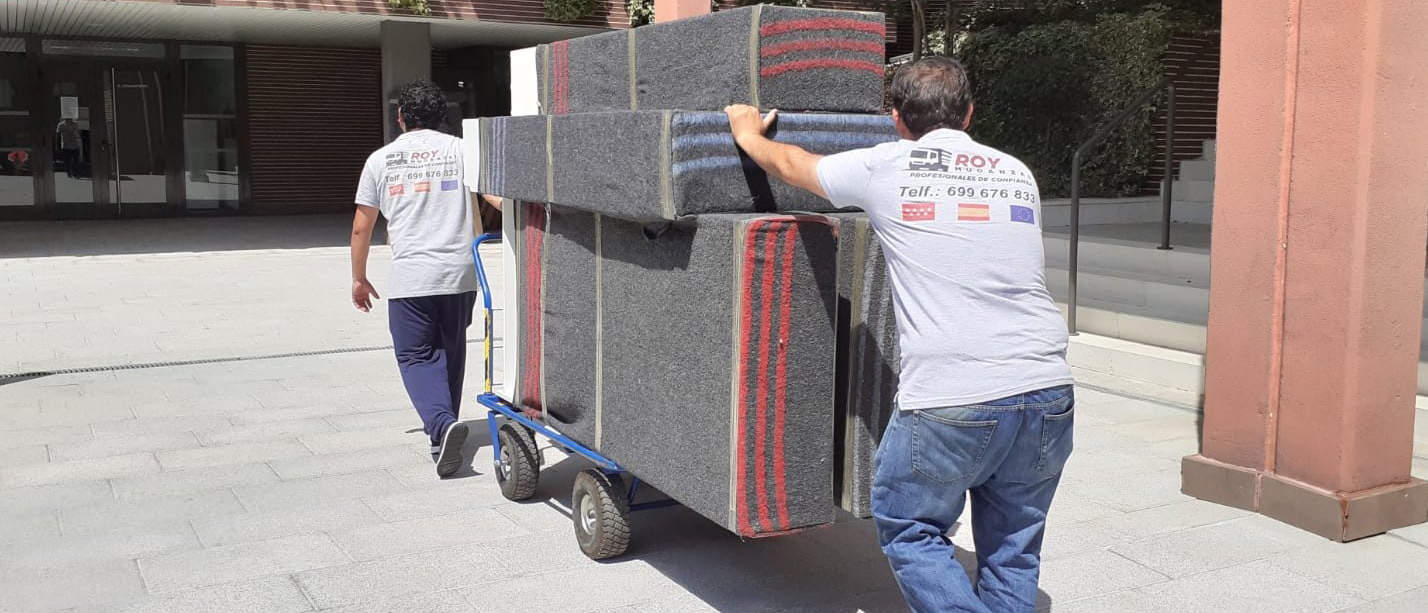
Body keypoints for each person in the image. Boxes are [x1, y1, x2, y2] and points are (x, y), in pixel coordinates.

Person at [726, 57, 1074, 612]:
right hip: (1049, 391)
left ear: (896, 118)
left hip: (952, 396)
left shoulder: (886, 165)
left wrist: (747, 133)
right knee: (1012, 547)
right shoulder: (1015, 170)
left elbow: (792, 164)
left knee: (910, 527)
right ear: (969, 113)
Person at [351, 79, 489, 478]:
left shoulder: (381, 159)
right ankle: (441, 433)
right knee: (450, 348)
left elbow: (362, 227)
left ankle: (442, 424)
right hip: (461, 273)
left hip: (412, 277)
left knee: (415, 355)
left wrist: (359, 278)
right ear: (442, 117)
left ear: (400, 118)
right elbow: (495, 196)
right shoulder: (463, 150)